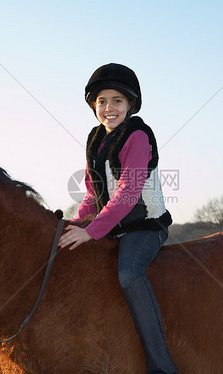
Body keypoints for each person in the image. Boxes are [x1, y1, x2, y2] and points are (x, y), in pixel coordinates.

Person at [59, 63, 178, 374]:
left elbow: (128, 192)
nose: (108, 108)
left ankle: (161, 365)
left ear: (130, 105)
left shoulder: (137, 136)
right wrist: (75, 226)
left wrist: (92, 232)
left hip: (145, 227)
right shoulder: (95, 140)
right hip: (112, 227)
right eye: (101, 101)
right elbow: (92, 195)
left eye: (117, 101)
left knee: (128, 272)